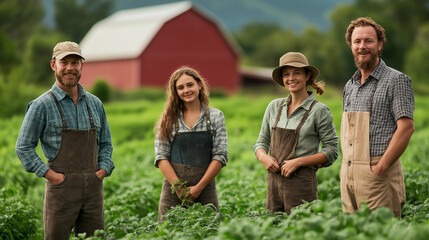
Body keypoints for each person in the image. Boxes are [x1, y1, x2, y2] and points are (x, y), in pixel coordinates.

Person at [15, 41, 115, 239]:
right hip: (61, 191)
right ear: (54, 65)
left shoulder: (95, 103)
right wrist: (51, 176)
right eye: (64, 62)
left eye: (75, 62)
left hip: (93, 190)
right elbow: (23, 147)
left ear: (81, 66)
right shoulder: (41, 105)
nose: (70, 67)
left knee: (94, 238)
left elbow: (106, 143)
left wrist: (103, 170)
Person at [340, 17, 414, 218]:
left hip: (378, 173)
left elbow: (406, 128)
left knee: (382, 233)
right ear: (351, 46)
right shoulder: (350, 86)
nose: (362, 46)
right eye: (357, 42)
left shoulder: (396, 80)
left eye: (368, 41)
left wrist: (379, 169)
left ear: (380, 44)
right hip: (348, 174)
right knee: (352, 231)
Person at [254, 52, 338, 214]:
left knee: (300, 230)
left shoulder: (319, 111)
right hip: (274, 184)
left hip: (302, 184)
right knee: (275, 228)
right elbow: (261, 143)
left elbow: (332, 150)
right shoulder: (274, 107)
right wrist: (263, 157)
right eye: (286, 74)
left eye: (297, 73)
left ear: (307, 76)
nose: (291, 78)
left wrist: (298, 162)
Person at [154, 66, 228, 220]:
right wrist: (179, 188)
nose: (186, 90)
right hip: (173, 191)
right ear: (175, 92)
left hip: (205, 188)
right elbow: (161, 157)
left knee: (209, 231)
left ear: (199, 85)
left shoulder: (216, 116)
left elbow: (220, 155)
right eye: (180, 87)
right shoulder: (169, 119)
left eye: (190, 85)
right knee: (169, 232)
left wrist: (199, 187)